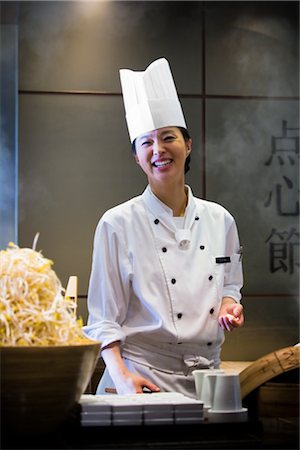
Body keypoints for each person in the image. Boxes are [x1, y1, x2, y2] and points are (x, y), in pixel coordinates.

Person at [83, 58, 244, 398]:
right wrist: (123, 377)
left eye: (168, 137)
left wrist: (229, 305)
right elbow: (102, 319)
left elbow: (230, 285)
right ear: (137, 158)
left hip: (208, 383)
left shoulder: (221, 220)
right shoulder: (117, 223)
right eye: (146, 143)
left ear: (187, 145)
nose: (158, 150)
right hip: (140, 380)